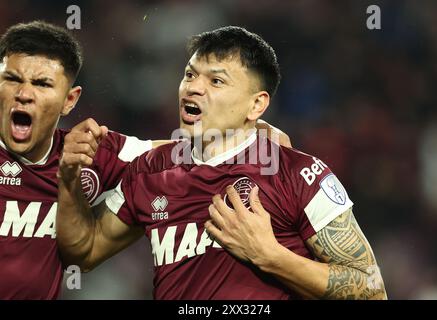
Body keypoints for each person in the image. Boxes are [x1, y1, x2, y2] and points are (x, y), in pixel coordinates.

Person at [56, 26, 387, 299]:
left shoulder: (296, 173)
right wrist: (69, 181)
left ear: (256, 105)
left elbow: (371, 289)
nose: (192, 88)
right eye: (189, 75)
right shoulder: (151, 170)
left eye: (215, 81)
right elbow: (83, 252)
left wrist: (272, 257)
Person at [0, 21, 288, 299]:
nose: (24, 94)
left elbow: (186, 152)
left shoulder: (90, 151)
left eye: (41, 84)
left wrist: (260, 131)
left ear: (70, 100)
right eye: (12, 79)